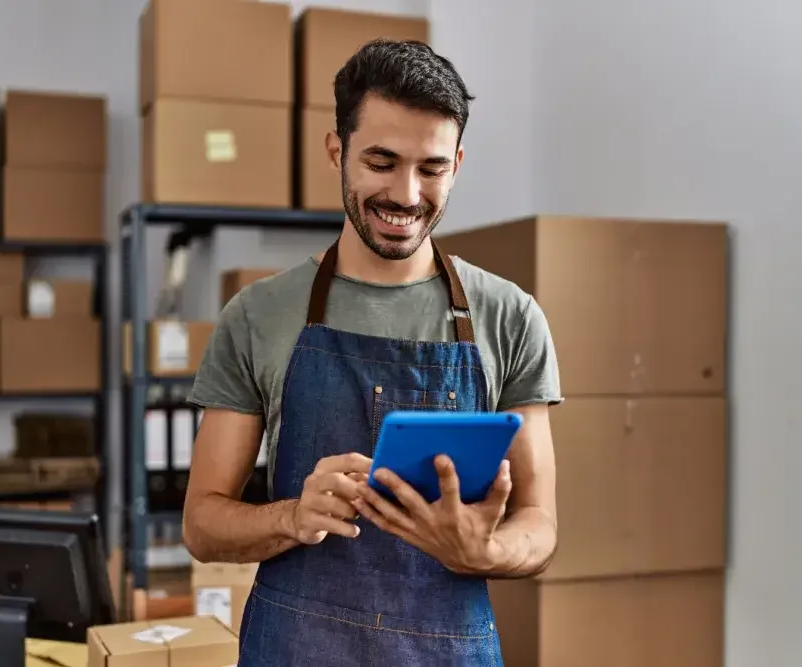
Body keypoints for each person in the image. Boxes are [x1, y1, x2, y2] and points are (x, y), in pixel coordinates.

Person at [182, 38, 562, 666]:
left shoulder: (510, 317)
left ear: (458, 163)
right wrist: (290, 516)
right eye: (381, 162)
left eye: (432, 168)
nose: (407, 195)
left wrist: (483, 551)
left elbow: (540, 525)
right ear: (338, 151)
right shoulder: (258, 315)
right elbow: (202, 524)